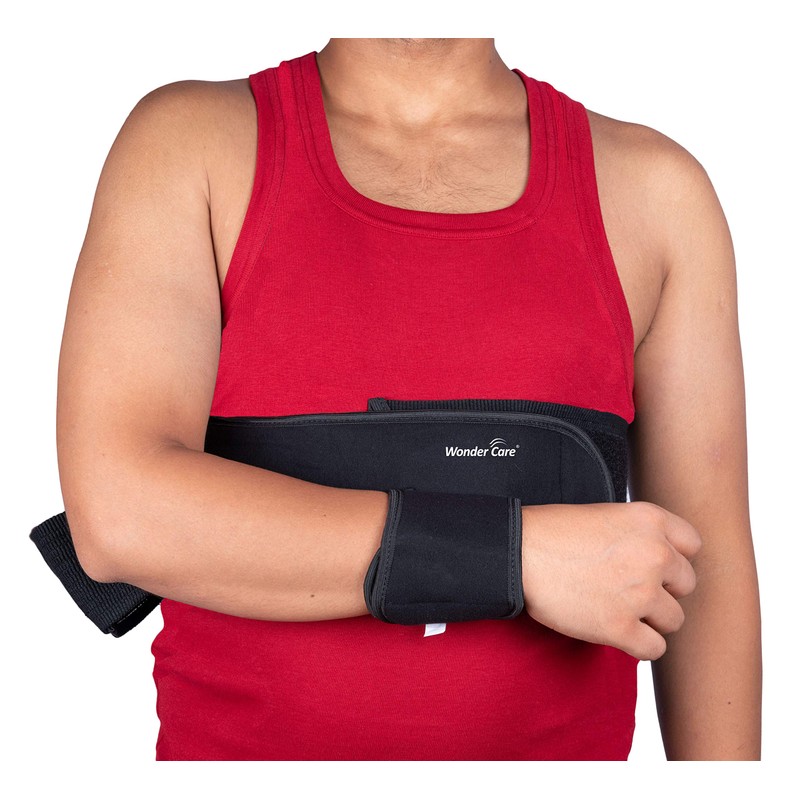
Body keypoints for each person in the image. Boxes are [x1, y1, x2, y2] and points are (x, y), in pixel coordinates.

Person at [56, 38, 761, 760]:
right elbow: (119, 515)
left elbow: (704, 564)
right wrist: (519, 557)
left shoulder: (656, 193)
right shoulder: (190, 145)